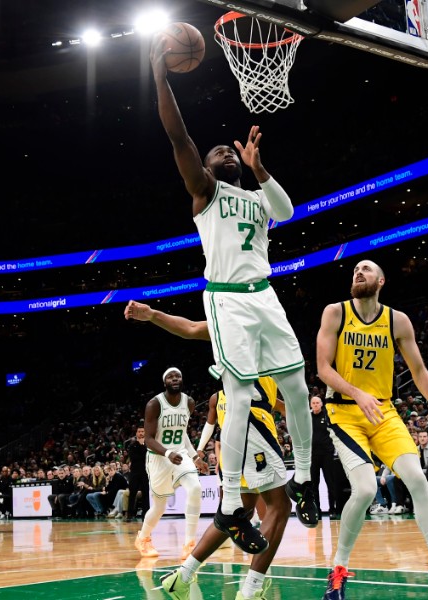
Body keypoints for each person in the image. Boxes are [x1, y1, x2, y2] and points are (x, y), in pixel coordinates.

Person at [151, 37, 317, 550]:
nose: (225, 150)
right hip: (226, 299)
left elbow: (288, 211)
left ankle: (306, 479)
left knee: (294, 384)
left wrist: (259, 165)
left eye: (231, 150)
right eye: (216, 150)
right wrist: (160, 75)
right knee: (240, 394)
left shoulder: (255, 195)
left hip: (264, 294)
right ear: (205, 166)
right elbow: (179, 137)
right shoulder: (205, 192)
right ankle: (228, 504)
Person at [315, 260, 428, 600]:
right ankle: (338, 570)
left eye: (366, 269)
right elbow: (323, 368)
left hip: (383, 411)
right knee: (367, 489)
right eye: (355, 269)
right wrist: (356, 392)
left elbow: (418, 369)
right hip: (343, 411)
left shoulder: (397, 321)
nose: (358, 272)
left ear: (381, 280)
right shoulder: (335, 313)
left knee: (416, 477)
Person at [122, 302, 292, 600]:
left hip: (237, 436)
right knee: (280, 506)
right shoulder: (264, 331)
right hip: (254, 428)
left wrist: (152, 316)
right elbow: (188, 327)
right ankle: (250, 589)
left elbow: (188, 328)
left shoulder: (233, 332)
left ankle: (182, 576)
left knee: (238, 512)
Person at [135, 367, 207, 560]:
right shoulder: (154, 404)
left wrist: (195, 458)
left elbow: (182, 434)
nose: (174, 379)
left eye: (178, 376)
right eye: (170, 377)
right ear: (164, 382)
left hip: (180, 455)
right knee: (159, 507)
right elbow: (148, 439)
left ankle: (189, 544)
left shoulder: (189, 403)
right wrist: (167, 452)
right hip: (159, 458)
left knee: (195, 488)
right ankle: (143, 537)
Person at [126, 427, 151, 521]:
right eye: (139, 431)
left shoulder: (149, 444)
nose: (141, 433)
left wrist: (142, 446)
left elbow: (147, 456)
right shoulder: (131, 445)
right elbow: (134, 457)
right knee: (132, 494)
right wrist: (142, 447)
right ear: (136, 433)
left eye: (142, 431)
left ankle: (146, 515)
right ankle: (129, 515)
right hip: (134, 473)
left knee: (146, 494)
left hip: (145, 472)